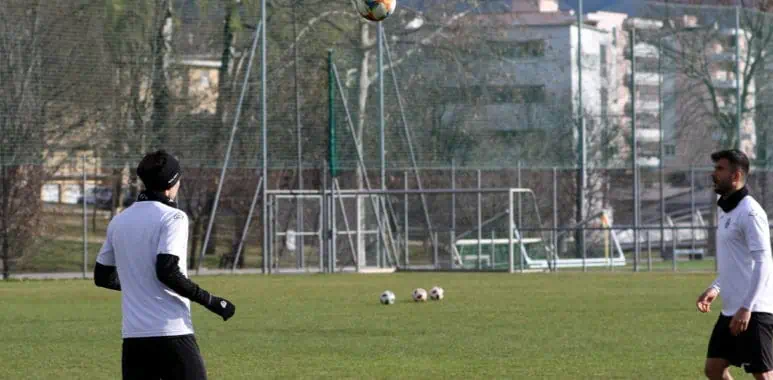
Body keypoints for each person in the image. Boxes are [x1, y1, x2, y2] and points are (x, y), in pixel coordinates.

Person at [94, 150, 236, 380]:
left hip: (134, 340)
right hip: (171, 334)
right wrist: (211, 301)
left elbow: (102, 276)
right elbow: (167, 271)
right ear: (172, 184)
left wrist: (137, 284)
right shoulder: (173, 218)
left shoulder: (119, 220)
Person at [697, 149, 773, 380]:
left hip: (754, 310)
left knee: (763, 376)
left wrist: (747, 307)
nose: (713, 174)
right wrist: (715, 288)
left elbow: (763, 261)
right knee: (714, 369)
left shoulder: (750, 213)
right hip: (731, 309)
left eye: (719, 169)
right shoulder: (728, 210)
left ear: (736, 175)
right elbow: (736, 261)